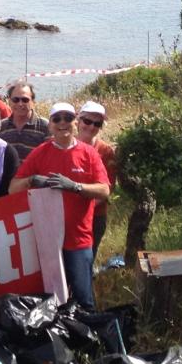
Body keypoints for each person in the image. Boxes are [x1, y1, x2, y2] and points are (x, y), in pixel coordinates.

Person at [9, 102, 110, 310]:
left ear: (75, 122)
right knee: (52, 297)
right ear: (50, 125)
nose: (62, 123)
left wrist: (75, 187)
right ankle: (59, 336)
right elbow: (13, 188)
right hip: (48, 241)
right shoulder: (40, 153)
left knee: (83, 295)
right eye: (57, 119)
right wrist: (32, 180)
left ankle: (88, 336)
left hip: (79, 239)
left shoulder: (89, 154)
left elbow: (104, 190)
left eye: (68, 118)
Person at [76, 101, 117, 260]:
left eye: (97, 123)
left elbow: (108, 188)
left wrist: (84, 209)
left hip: (95, 217)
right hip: (66, 217)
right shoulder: (65, 146)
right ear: (78, 121)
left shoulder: (106, 151)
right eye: (87, 121)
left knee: (86, 260)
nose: (91, 127)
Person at [0, 81, 49, 161]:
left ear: (33, 102)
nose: (20, 104)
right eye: (15, 100)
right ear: (9, 101)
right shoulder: (1, 127)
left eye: (25, 100)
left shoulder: (45, 127)